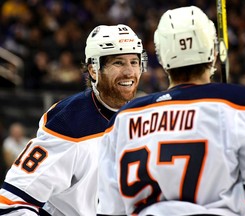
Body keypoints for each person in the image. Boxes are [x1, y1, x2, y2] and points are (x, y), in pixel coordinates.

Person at [96, 6, 245, 216]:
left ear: (160, 56)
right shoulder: (240, 103)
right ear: (214, 53)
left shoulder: (122, 119)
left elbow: (109, 210)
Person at [0, 24, 147, 216]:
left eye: (134, 62)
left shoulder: (146, 114)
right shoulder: (69, 122)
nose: (129, 72)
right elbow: (11, 203)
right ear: (94, 70)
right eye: (118, 63)